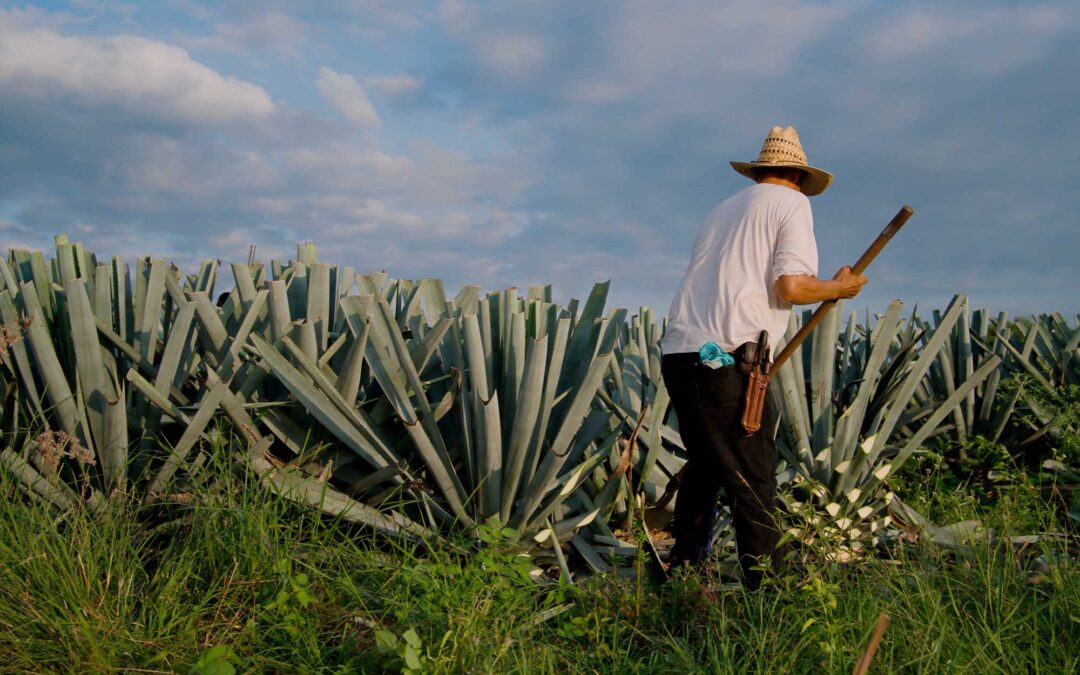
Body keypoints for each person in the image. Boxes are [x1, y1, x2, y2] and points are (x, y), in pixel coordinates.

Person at [660, 126, 867, 589]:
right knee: (753, 479)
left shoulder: (720, 212)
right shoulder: (792, 203)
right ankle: (769, 594)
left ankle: (685, 574)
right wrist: (841, 288)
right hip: (730, 358)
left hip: (680, 353)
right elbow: (791, 287)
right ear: (797, 174)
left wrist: (830, 286)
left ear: (761, 171)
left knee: (708, 464)